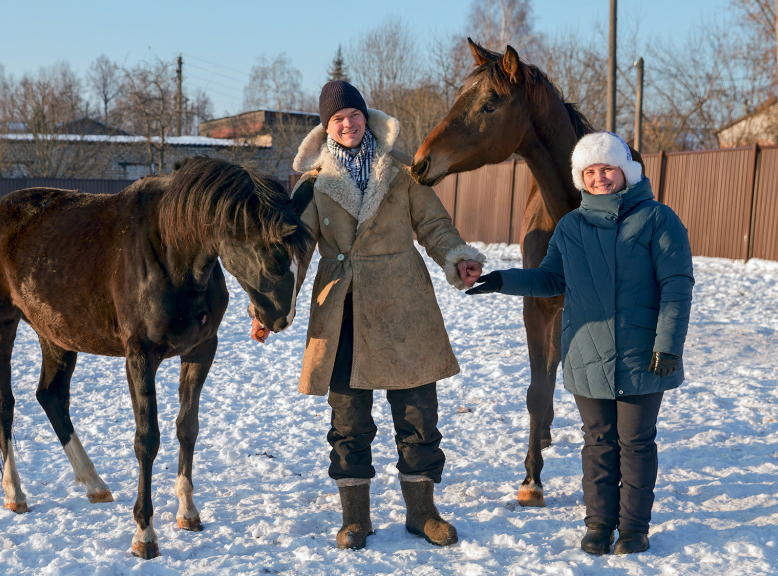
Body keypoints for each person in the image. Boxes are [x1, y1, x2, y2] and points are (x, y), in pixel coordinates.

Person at [252, 80, 484, 550]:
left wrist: (456, 256)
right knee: (349, 420)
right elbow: (297, 251)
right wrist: (272, 306)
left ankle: (423, 513)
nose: (347, 124)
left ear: (366, 117)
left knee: (418, 415)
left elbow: (433, 224)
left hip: (404, 305)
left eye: (353, 115)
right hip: (343, 310)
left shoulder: (400, 172)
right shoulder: (314, 184)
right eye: (337, 119)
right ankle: (355, 518)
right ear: (326, 128)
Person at [467, 131, 694, 555]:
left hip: (643, 354)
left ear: (624, 170)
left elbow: (677, 286)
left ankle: (633, 528)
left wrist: (669, 345)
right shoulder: (572, 226)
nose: (599, 178)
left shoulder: (658, 219)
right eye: (589, 171)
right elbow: (551, 277)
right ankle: (598, 523)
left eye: (606, 168)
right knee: (598, 443)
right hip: (587, 353)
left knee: (636, 443)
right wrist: (501, 280)